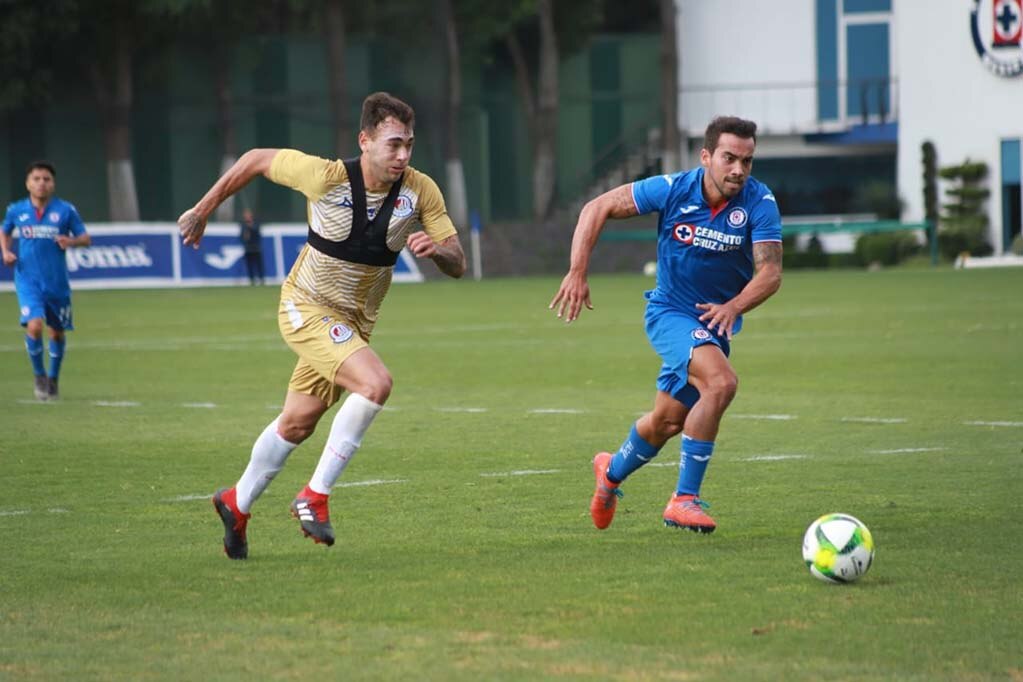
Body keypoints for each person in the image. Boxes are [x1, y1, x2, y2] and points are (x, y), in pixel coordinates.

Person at [178, 92, 467, 559]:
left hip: (352, 326)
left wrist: (440, 253)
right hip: (306, 307)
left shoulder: (420, 190)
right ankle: (314, 495)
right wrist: (203, 209)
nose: (403, 155)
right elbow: (255, 159)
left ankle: (236, 503)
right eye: (393, 144)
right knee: (376, 384)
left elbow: (459, 261)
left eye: (409, 145)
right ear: (365, 140)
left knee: (297, 424)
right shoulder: (326, 177)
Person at [550, 116, 783, 534]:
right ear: (706, 156)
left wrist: (732, 306)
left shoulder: (759, 201)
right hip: (670, 314)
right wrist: (577, 270)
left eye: (747, 161)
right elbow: (596, 206)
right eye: (729, 158)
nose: (738, 170)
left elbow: (770, 273)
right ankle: (683, 500)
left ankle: (609, 473)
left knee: (667, 423)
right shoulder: (673, 188)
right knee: (722, 384)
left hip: (713, 325)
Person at [1, 161, 91, 401]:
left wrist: (70, 242)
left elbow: (85, 238)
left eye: (46, 179)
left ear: (53, 184)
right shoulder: (16, 210)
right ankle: (39, 375)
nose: (41, 183)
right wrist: (6, 251)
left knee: (57, 333)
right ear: (28, 183)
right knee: (34, 325)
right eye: (37, 178)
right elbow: (5, 230)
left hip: (56, 282)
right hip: (27, 279)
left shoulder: (65, 210)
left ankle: (53, 378)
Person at [239, 208, 265, 285]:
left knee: (258, 265)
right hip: (248, 249)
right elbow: (241, 237)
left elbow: (257, 232)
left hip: (256, 248)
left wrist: (250, 227)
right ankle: (252, 280)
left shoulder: (255, 224)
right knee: (249, 265)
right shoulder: (243, 226)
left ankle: (261, 279)